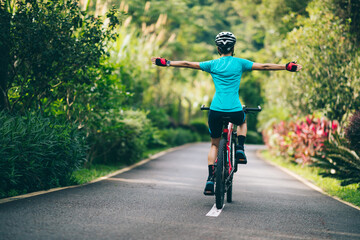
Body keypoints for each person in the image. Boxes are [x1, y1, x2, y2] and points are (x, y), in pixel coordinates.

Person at [151, 31, 302, 195]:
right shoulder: (240, 63)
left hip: (215, 110)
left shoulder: (212, 64)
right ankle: (240, 149)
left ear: (218, 48)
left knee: (214, 144)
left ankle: (210, 179)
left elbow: (188, 63)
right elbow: (264, 66)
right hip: (235, 110)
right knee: (242, 121)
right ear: (233, 48)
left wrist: (167, 62)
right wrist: (286, 67)